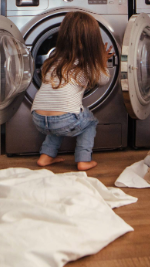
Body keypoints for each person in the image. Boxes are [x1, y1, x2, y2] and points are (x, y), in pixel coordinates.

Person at [31, 11, 113, 171]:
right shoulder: (88, 62)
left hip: (37, 117)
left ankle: (45, 156)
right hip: (65, 119)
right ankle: (83, 160)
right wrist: (102, 61)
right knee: (89, 122)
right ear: (93, 40)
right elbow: (103, 80)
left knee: (58, 115)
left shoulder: (54, 58)